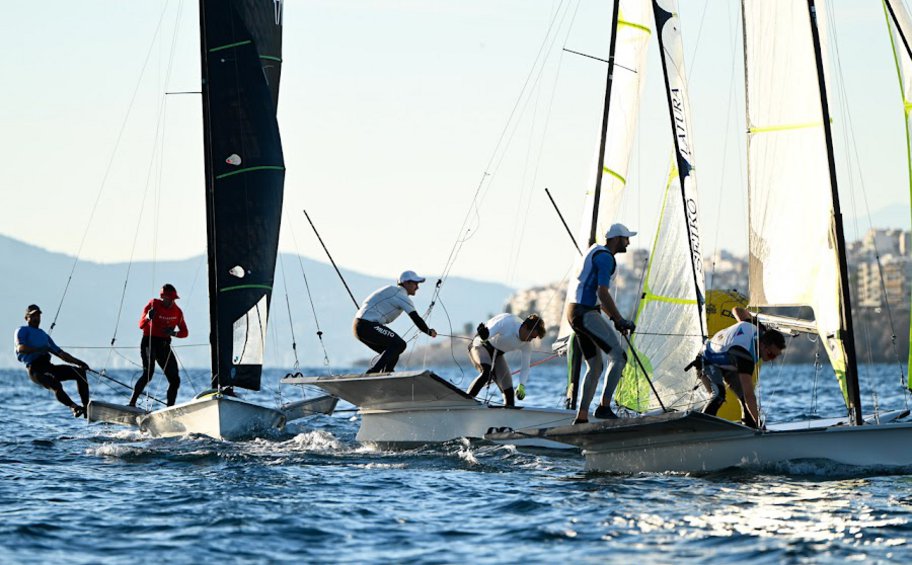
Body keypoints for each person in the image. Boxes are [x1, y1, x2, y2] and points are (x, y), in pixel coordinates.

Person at [566, 223, 637, 425]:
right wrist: (620, 319)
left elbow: (598, 299)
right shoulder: (606, 257)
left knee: (595, 366)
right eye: (626, 238)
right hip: (585, 313)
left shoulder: (595, 252)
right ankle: (604, 407)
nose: (628, 242)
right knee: (619, 356)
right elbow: (602, 293)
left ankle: (581, 418)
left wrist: (615, 319)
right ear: (616, 239)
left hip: (575, 313)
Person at [698, 306, 786, 428]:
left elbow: (737, 310)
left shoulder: (759, 329)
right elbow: (749, 395)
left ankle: (751, 428)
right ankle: (699, 428)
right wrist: (760, 425)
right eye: (770, 355)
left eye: (774, 356)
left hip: (728, 362)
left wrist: (748, 321)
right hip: (706, 359)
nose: (770, 359)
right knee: (719, 394)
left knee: (746, 402)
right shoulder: (745, 356)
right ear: (763, 345)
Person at [353, 270, 437, 374]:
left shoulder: (390, 290)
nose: (417, 287)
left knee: (393, 353)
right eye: (415, 283)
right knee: (399, 344)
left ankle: (386, 375)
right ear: (406, 283)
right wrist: (429, 331)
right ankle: (372, 373)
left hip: (358, 326)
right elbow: (416, 318)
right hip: (367, 326)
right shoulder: (401, 295)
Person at [14, 304, 91, 418]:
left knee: (79, 373)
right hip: (35, 369)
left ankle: (86, 409)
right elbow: (21, 348)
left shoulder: (44, 335)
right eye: (33, 316)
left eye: (38, 315)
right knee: (56, 384)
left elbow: (61, 354)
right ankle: (74, 407)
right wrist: (39, 349)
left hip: (49, 367)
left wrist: (79, 362)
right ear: (26, 318)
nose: (36, 318)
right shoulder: (22, 331)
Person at [466, 313, 546, 407]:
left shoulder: (527, 345)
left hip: (497, 355)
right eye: (531, 336)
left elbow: (525, 367)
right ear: (524, 327)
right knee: (486, 373)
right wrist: (485, 334)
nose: (530, 340)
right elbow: (489, 333)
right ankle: (466, 401)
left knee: (509, 394)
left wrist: (521, 385)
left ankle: (507, 418)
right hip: (480, 345)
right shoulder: (508, 322)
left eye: (533, 338)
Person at [130, 284, 188, 407]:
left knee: (175, 380)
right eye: (169, 299)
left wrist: (172, 333)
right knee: (148, 375)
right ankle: (132, 403)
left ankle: (170, 408)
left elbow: (185, 333)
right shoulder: (153, 304)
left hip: (164, 345)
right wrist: (147, 317)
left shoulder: (177, 312)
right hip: (149, 342)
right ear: (163, 298)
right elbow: (141, 325)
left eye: (174, 299)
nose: (172, 302)